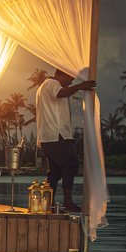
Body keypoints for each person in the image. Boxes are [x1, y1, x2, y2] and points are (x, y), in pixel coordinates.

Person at [35, 68, 96, 213]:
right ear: (62, 75)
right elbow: (60, 93)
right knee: (71, 164)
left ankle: (48, 205)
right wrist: (80, 86)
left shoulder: (45, 86)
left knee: (55, 172)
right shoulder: (52, 83)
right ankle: (67, 201)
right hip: (55, 135)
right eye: (70, 78)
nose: (71, 82)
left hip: (49, 136)